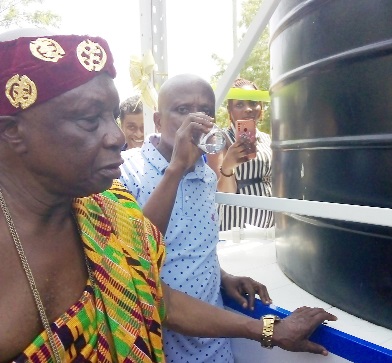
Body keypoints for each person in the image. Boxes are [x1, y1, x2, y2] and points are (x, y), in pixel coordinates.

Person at [0, 28, 336, 362]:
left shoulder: (105, 207)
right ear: (12, 132)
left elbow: (154, 292)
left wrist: (263, 322)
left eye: (113, 117)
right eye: (90, 120)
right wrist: (175, 169)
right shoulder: (125, 174)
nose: (117, 137)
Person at [119, 74, 332, 362]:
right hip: (160, 348)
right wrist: (177, 167)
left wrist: (222, 277)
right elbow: (136, 262)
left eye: (206, 111)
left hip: (215, 345)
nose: (196, 119)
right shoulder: (126, 173)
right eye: (182, 110)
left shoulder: (205, 175)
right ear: (157, 121)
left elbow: (190, 244)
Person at [208, 78, 274, 231]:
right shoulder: (219, 139)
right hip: (237, 228)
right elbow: (224, 193)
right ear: (230, 111)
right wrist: (228, 166)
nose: (248, 109)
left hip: (268, 226)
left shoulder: (267, 138)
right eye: (239, 104)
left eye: (253, 102)